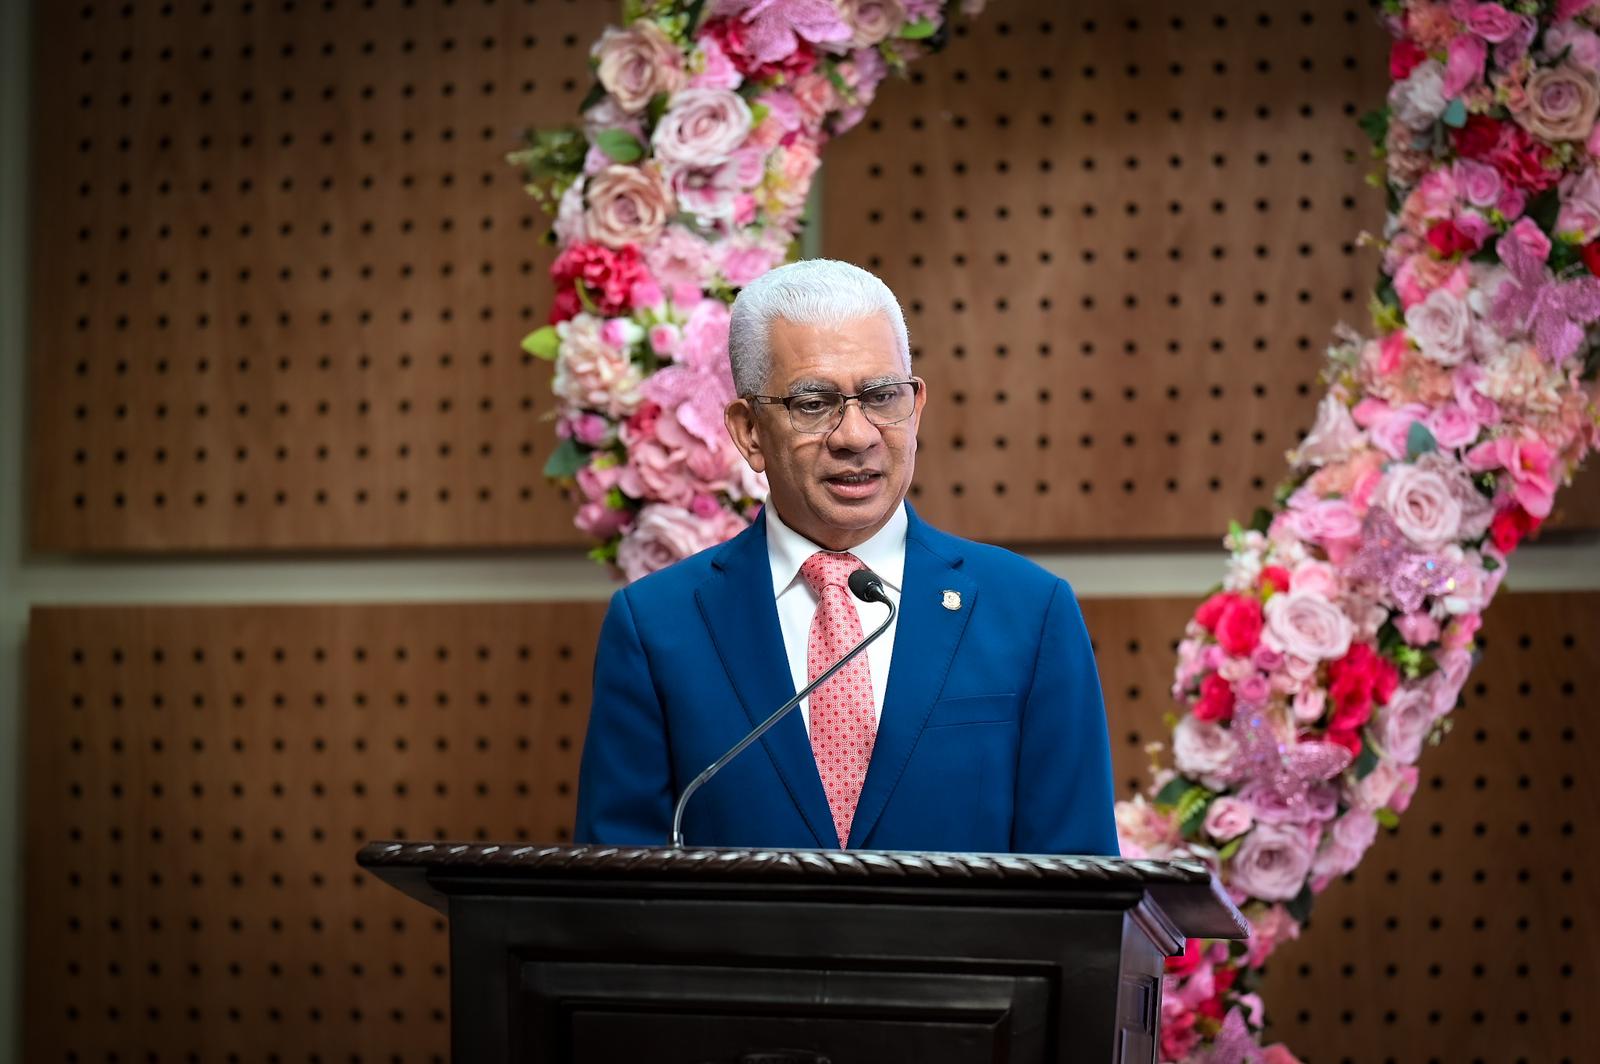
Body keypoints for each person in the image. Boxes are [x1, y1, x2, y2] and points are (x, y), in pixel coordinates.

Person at [573, 259, 1119, 855]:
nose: (856, 435)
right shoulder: (657, 627)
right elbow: (614, 903)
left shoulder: (1029, 613)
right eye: (813, 403)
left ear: (917, 408)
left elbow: (1082, 893)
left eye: (883, 397)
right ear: (749, 431)